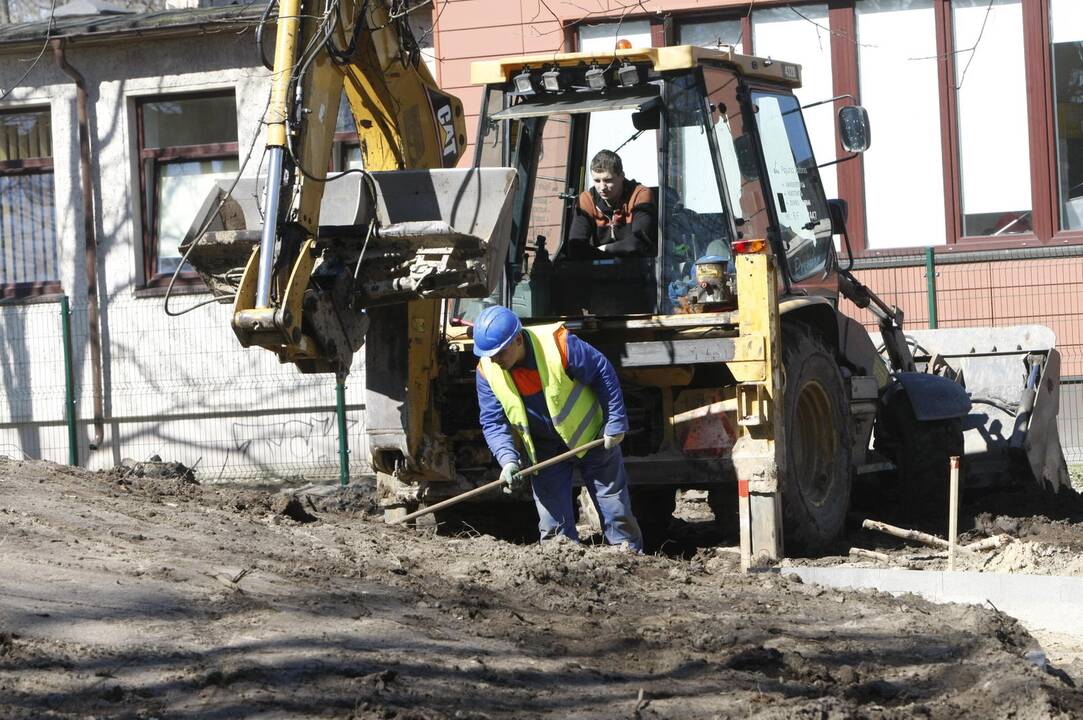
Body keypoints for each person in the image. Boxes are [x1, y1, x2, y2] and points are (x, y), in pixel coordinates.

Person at [472, 304, 644, 551]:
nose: (495, 360)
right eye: (490, 354)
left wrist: (615, 420)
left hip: (591, 438)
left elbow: (602, 372)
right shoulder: (487, 370)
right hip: (545, 452)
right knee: (554, 530)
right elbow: (492, 421)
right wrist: (508, 459)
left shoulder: (559, 344)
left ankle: (632, 560)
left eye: (500, 352)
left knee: (616, 511)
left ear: (518, 340)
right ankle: (560, 578)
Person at [567, 149, 656, 257]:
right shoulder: (587, 199)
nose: (602, 187)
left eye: (608, 180)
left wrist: (605, 249)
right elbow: (575, 247)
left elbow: (638, 243)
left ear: (622, 176)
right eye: (597, 181)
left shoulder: (640, 195)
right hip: (599, 269)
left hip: (639, 266)